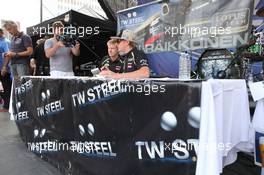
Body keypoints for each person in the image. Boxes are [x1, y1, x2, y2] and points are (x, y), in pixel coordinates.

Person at [0, 28, 12, 112]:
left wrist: (4, 67)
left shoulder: (5, 42)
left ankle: (7, 106)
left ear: (1, 33)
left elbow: (8, 55)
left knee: (6, 87)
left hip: (4, 69)